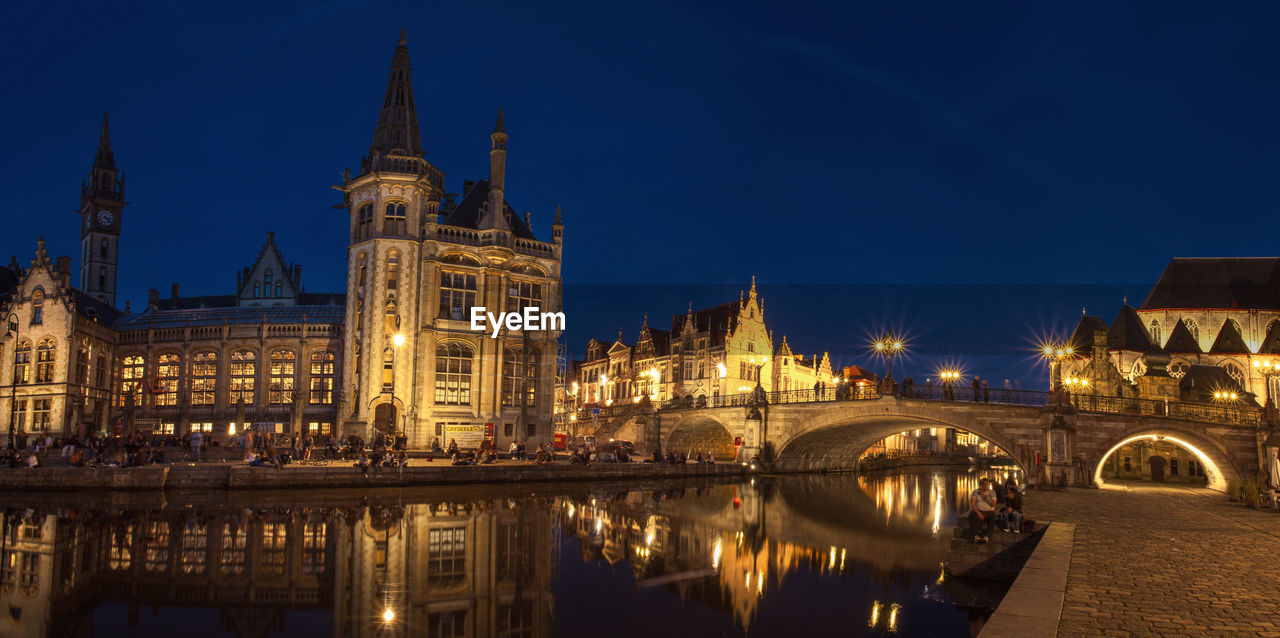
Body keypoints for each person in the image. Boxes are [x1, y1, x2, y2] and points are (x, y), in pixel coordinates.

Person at [968, 477, 997, 543]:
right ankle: (975, 536)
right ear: (981, 485)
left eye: (987, 484)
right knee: (971, 516)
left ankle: (987, 537)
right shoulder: (976, 492)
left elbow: (993, 504)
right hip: (979, 511)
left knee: (993, 518)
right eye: (984, 484)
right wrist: (978, 513)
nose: (985, 486)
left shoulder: (992, 492)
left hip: (989, 512)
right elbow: (973, 504)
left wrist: (986, 497)